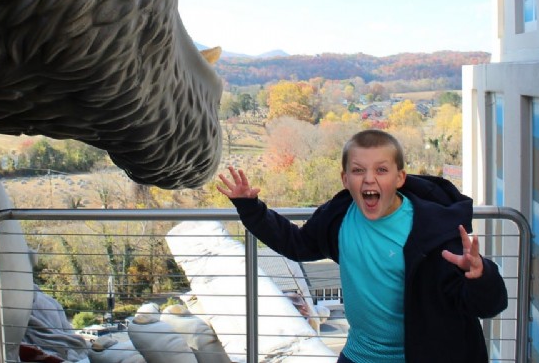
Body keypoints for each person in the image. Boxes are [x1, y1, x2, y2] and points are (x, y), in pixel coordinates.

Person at [217, 129, 507, 363]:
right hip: (359, 355)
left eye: (382, 170)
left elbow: (488, 306)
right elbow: (297, 244)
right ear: (346, 180)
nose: (369, 178)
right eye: (358, 171)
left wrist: (482, 276)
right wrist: (250, 208)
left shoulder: (435, 233)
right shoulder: (339, 218)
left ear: (400, 178)